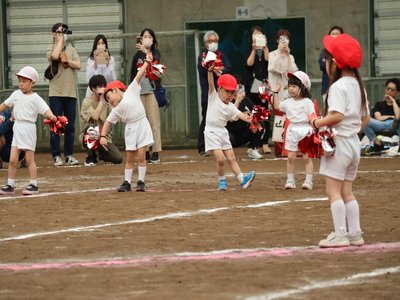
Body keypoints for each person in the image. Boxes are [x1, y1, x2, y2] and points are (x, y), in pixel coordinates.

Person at [309, 34, 370, 248]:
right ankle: (355, 234)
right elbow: (365, 118)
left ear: (334, 62)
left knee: (333, 192)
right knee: (347, 192)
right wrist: (353, 131)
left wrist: (317, 123)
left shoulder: (338, 87)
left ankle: (340, 234)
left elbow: (337, 116)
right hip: (354, 144)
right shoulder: (358, 86)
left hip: (340, 144)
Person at [100, 53, 154, 192]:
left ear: (116, 90)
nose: (109, 100)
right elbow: (107, 122)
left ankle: (141, 182)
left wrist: (147, 62)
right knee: (130, 157)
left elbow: (140, 74)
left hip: (142, 124)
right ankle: (127, 182)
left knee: (141, 156)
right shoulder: (116, 110)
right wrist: (103, 136)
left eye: (108, 96)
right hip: (131, 129)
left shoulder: (131, 90)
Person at [0, 66, 58, 195]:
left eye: (24, 81)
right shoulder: (15, 94)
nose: (21, 84)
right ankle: (10, 184)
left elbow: (45, 109)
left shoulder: (35, 98)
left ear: (33, 83)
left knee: (29, 159)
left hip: (28, 129)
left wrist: (52, 116)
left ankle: (33, 184)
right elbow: (4, 105)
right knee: (13, 160)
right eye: (20, 81)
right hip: (17, 128)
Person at [204, 65, 256, 190]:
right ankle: (222, 180)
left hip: (223, 132)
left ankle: (243, 180)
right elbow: (210, 82)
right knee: (221, 159)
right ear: (219, 88)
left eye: (232, 92)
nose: (229, 95)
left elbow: (242, 116)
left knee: (232, 158)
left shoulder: (231, 106)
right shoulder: (213, 97)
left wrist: (252, 119)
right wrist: (210, 71)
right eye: (227, 91)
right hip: (211, 131)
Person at [272, 71, 315, 190]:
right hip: (291, 130)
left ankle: (309, 181)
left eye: (294, 86)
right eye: (289, 86)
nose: (290, 89)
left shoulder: (307, 102)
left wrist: (315, 129)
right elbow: (276, 106)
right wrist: (275, 92)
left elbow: (312, 117)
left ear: (303, 87)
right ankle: (290, 180)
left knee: (306, 157)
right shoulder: (287, 102)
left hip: (306, 130)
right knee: (291, 157)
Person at [47, 22, 81, 166]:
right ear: (54, 34)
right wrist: (59, 39)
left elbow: (78, 65)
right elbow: (54, 56)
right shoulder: (50, 48)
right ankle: (56, 156)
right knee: (56, 125)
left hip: (70, 93)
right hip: (55, 93)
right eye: (59, 32)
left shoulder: (72, 49)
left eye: (64, 32)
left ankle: (68, 154)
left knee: (70, 126)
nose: (63, 34)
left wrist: (68, 61)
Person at [130, 28, 162, 164]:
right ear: (141, 39)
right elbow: (132, 75)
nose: (147, 38)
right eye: (145, 36)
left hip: (152, 91)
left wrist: (145, 51)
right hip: (139, 92)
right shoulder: (136, 56)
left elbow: (155, 65)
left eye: (150, 36)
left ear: (153, 39)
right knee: (142, 123)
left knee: (154, 122)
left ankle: (155, 151)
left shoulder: (156, 53)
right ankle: (146, 149)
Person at [197, 30, 232, 156]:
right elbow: (203, 68)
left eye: (215, 41)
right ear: (205, 43)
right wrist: (213, 67)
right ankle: (202, 147)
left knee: (219, 119)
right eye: (210, 41)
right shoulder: (202, 56)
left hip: (221, 95)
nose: (213, 43)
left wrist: (219, 68)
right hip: (208, 94)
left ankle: (218, 145)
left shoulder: (222, 55)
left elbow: (228, 68)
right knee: (206, 118)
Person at [79, 75, 123, 166]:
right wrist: (102, 101)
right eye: (99, 86)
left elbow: (117, 118)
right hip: (88, 135)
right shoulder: (87, 101)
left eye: (104, 86)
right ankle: (90, 156)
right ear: (93, 88)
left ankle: (100, 155)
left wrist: (111, 102)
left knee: (118, 158)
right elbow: (95, 117)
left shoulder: (106, 101)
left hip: (103, 137)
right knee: (92, 128)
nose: (102, 89)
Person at [245, 25, 272, 155]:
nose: (257, 37)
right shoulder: (249, 49)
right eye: (254, 34)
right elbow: (249, 63)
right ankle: (254, 143)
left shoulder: (266, 49)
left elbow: (269, 60)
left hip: (264, 85)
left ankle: (265, 143)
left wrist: (265, 46)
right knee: (254, 114)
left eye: (259, 34)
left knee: (265, 113)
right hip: (253, 85)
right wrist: (254, 49)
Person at [227, 79, 263, 160]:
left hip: (242, 134)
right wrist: (237, 101)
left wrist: (255, 115)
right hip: (230, 135)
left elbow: (255, 111)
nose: (238, 88)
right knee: (226, 136)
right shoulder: (226, 100)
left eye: (240, 85)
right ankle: (224, 152)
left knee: (259, 123)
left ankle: (253, 149)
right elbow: (230, 119)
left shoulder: (245, 99)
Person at [363, 78, 400, 151]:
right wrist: (391, 116)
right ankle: (377, 143)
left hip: (394, 124)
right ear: (385, 90)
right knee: (363, 120)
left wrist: (393, 101)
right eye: (388, 89)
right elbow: (379, 117)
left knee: (399, 121)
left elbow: (398, 116)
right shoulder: (379, 104)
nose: (389, 91)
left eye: (392, 90)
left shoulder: (398, 103)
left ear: (397, 92)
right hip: (380, 124)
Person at [268, 29, 298, 101]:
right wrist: (279, 53)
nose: (285, 41)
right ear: (278, 40)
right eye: (282, 38)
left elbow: (293, 72)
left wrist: (287, 56)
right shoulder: (272, 54)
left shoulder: (290, 57)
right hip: (275, 88)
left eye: (287, 38)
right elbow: (271, 69)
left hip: (287, 91)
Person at [318, 25, 344, 100]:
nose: (334, 36)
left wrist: (328, 60)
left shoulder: (343, 50)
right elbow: (322, 65)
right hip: (327, 86)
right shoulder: (325, 51)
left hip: (341, 85)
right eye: (333, 34)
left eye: (337, 34)